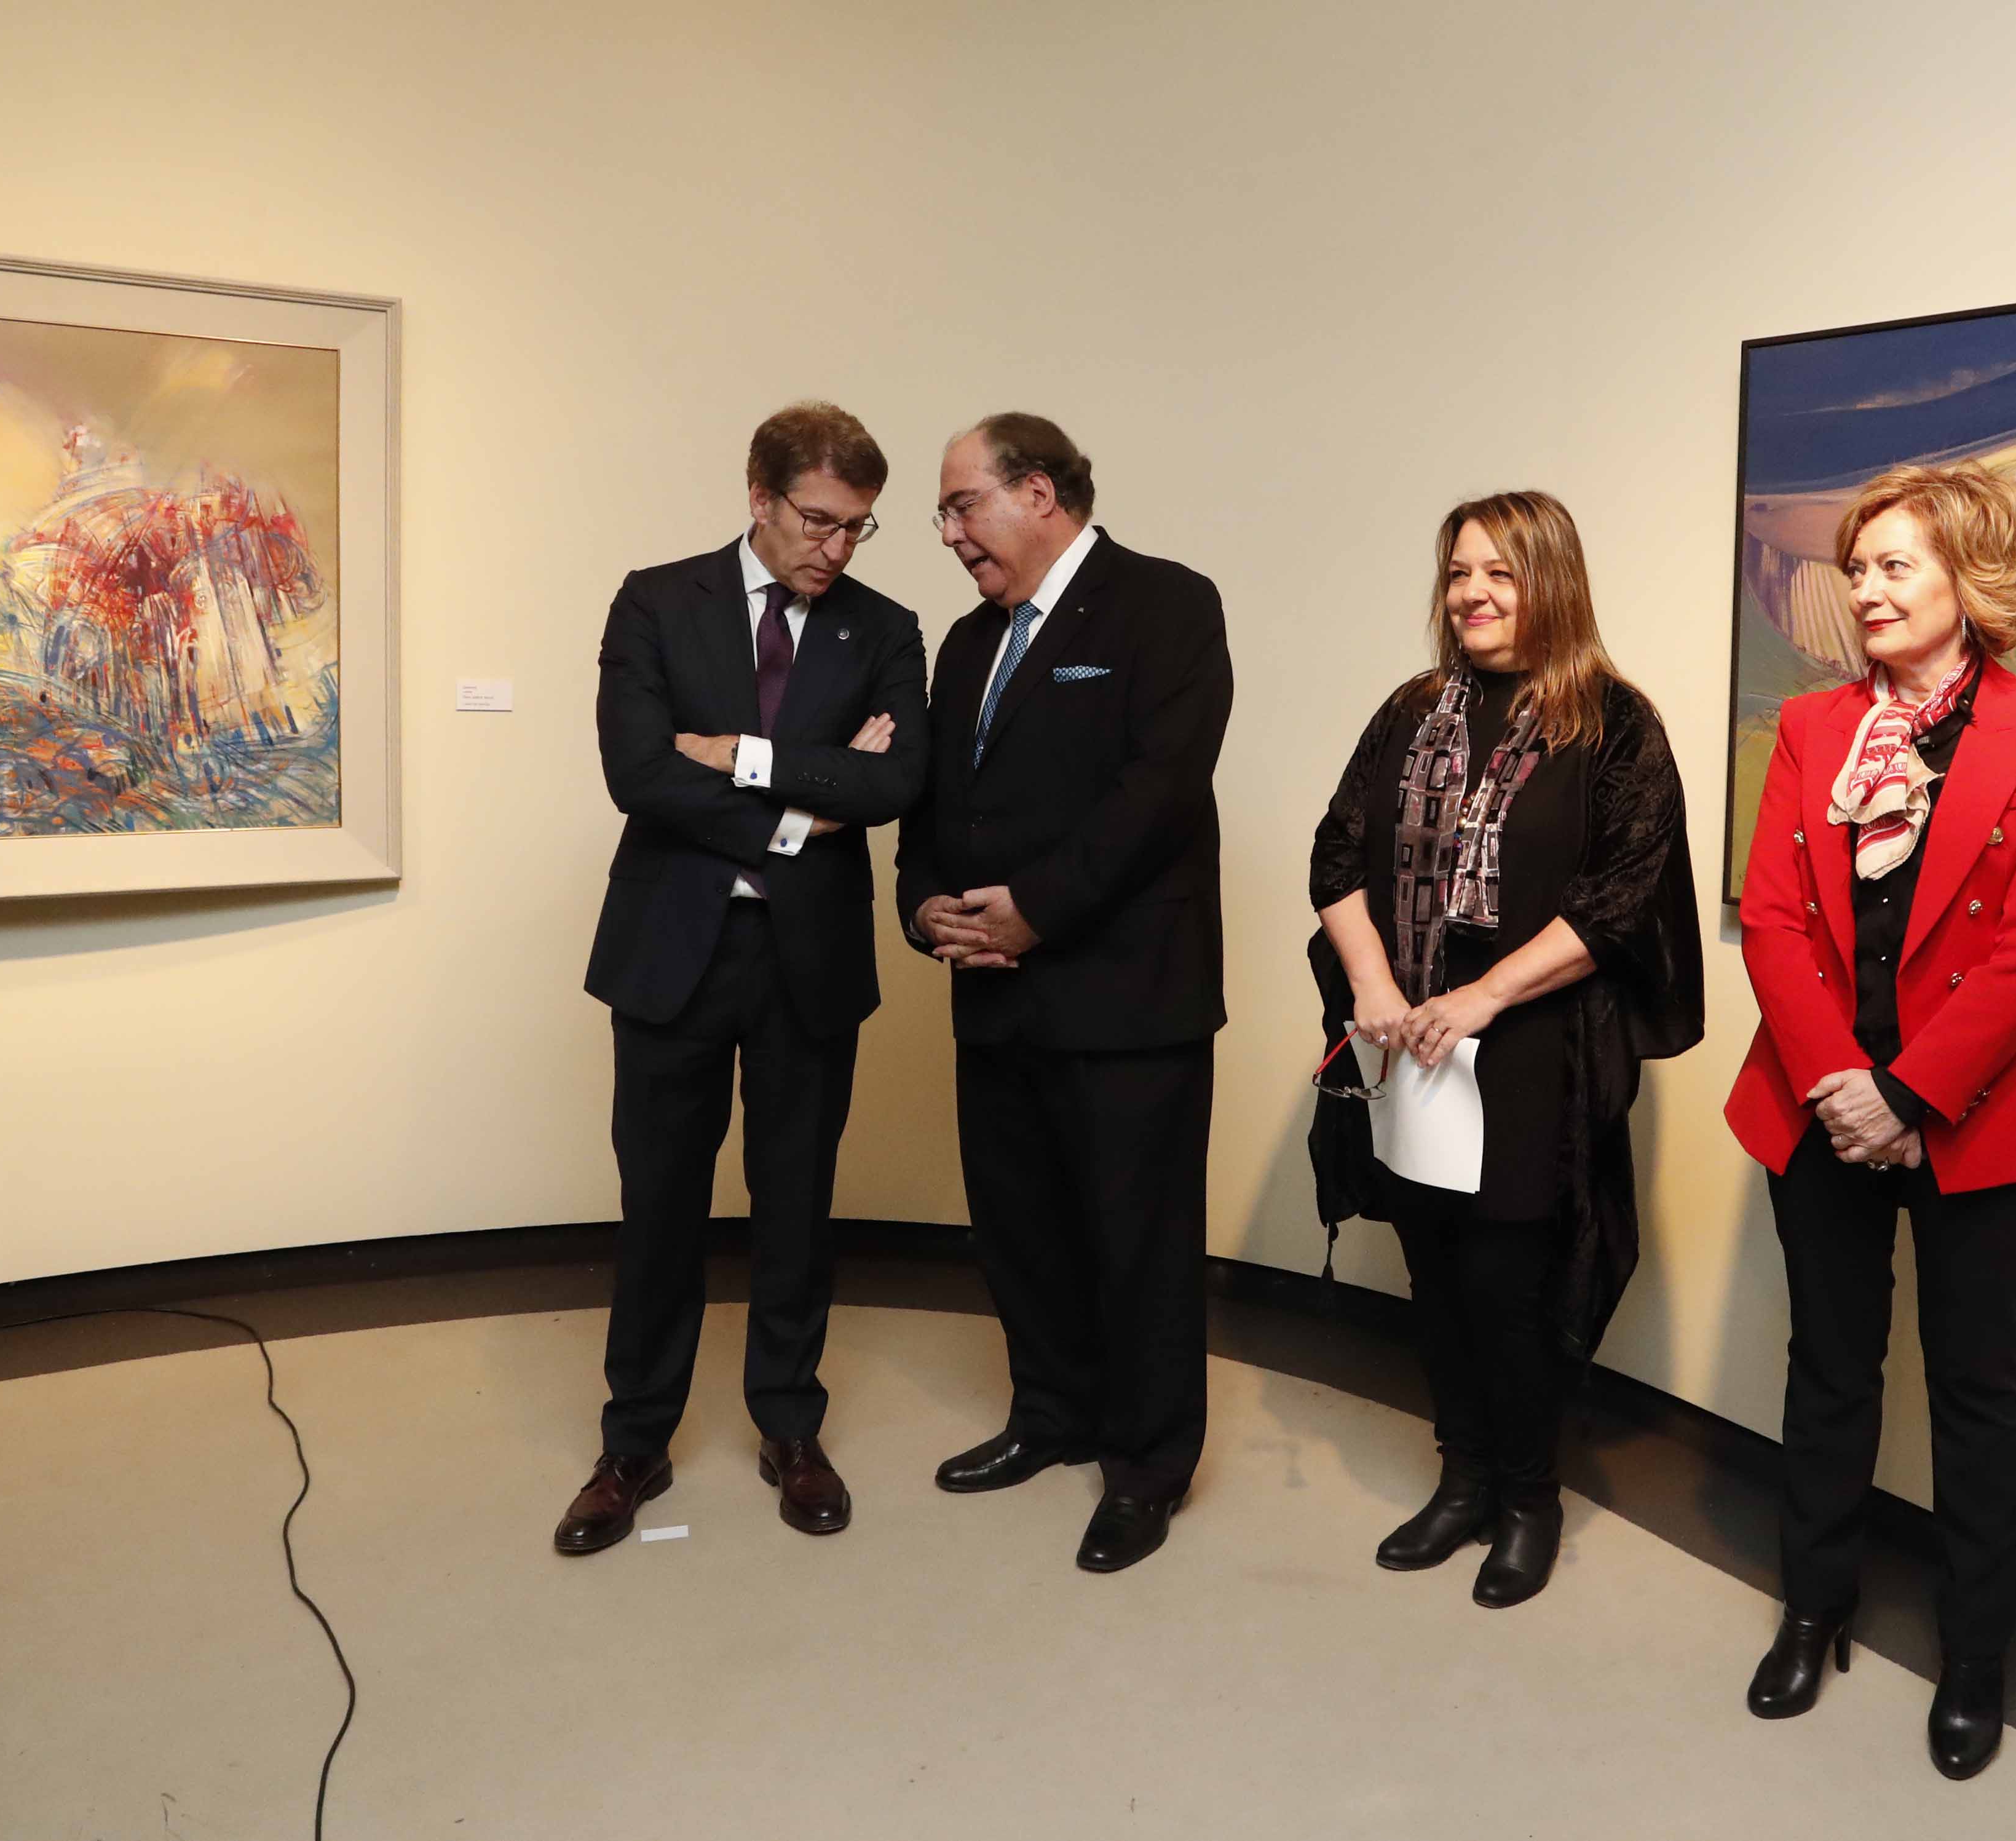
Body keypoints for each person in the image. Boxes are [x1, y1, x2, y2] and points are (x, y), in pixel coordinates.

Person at [1722, 461, 2016, 1778]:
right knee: (1828, 1368)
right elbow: (1774, 920)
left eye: (1896, 565)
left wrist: (1908, 1095)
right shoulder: (1812, 728)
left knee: (1975, 1388)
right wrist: (1844, 1084)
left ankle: (1974, 1659)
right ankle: (1813, 1607)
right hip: (1822, 1106)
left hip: (1984, 1116)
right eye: (1858, 567)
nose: (1867, 589)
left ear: (1968, 578)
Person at [1305, 491, 1704, 1609]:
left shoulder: (1614, 723)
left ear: (1551, 582)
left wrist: (1482, 994)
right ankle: (1462, 1477)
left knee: (1509, 1287)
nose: (1471, 595)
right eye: (1457, 573)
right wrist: (1376, 986)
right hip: (1410, 1046)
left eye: (1499, 572)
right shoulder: (1409, 710)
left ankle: (1529, 1498)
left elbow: (1619, 899)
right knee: (1432, 1272)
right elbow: (1335, 854)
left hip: (1532, 1052)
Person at [556, 403, 931, 1555]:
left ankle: (790, 1426)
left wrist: (745, 757)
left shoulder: (884, 627)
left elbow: (894, 786)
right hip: (670, 950)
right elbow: (638, 773)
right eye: (818, 520)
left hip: (807, 960)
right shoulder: (657, 601)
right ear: (759, 497)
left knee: (797, 1203)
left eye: (858, 527)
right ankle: (634, 1441)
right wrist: (801, 812)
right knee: (659, 1205)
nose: (836, 547)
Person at [899, 413, 1231, 1574]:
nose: (949, 534)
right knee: (1020, 1231)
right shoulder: (964, 644)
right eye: (944, 514)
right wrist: (923, 906)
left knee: (1139, 1244)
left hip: (1128, 997)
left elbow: (1160, 793)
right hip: (994, 996)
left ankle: (1145, 1467)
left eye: (962, 506)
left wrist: (1035, 909)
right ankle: (1049, 1414)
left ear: (1037, 492)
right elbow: (934, 805)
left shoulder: (1166, 605)